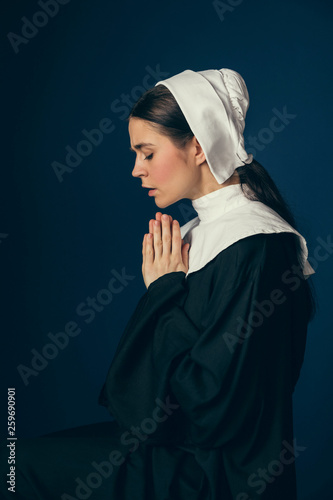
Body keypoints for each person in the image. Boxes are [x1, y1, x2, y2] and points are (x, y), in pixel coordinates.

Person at [0, 68, 317, 500]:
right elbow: (148, 392)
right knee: (17, 459)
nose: (136, 170)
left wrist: (165, 290)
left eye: (147, 153)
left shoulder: (258, 244)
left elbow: (214, 410)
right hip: (180, 445)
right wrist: (163, 289)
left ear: (200, 147)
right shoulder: (195, 235)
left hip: (217, 472)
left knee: (19, 468)